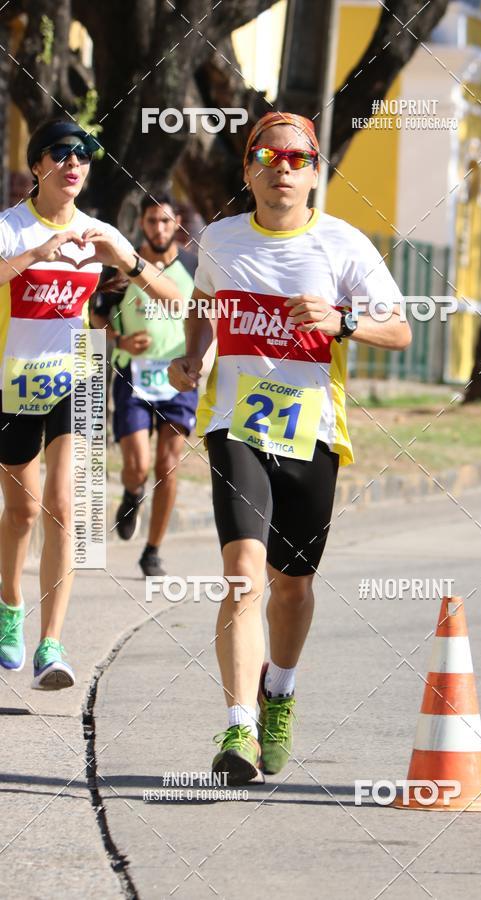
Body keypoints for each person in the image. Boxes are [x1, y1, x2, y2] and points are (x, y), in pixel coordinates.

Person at [169, 111, 411, 785]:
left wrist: (345, 321)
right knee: (244, 572)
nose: (283, 168)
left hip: (313, 434)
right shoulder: (218, 239)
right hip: (235, 425)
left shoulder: (344, 245)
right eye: (269, 157)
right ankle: (239, 726)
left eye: (298, 158)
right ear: (248, 170)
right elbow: (201, 302)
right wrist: (194, 358)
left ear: (314, 173)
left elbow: (400, 332)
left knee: (293, 588)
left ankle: (281, 689)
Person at [0, 118, 182, 688]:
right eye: (62, 153)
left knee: (62, 505)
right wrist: (39, 253)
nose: (74, 163)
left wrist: (123, 260)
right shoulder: (10, 228)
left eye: (83, 156)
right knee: (23, 510)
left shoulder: (97, 230)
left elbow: (176, 297)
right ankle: (10, 609)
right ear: (38, 166)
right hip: (11, 383)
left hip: (72, 380)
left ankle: (51, 645)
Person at [91, 193, 198, 576]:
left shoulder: (193, 266)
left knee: (168, 465)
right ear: (143, 224)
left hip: (179, 379)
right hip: (133, 375)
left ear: (177, 222)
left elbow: (205, 318)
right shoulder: (123, 267)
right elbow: (96, 317)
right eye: (152, 222)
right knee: (136, 465)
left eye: (166, 222)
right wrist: (120, 341)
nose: (159, 229)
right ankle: (133, 492)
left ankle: (152, 551)